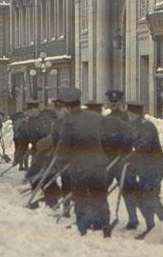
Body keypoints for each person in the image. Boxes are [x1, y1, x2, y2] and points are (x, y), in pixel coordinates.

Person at [55, 88, 111, 237]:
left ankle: (83, 228)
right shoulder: (96, 117)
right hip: (100, 165)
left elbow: (64, 146)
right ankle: (105, 227)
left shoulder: (69, 121)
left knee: (80, 198)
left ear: (67, 106)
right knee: (100, 197)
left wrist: (60, 161)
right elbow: (107, 138)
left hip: (80, 167)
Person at [126, 102, 163, 240]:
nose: (128, 116)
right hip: (144, 168)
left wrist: (131, 155)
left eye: (129, 114)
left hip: (154, 167)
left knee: (151, 197)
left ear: (134, 114)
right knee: (143, 197)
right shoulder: (135, 126)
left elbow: (145, 145)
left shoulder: (146, 126)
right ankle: (151, 226)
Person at [98, 93, 139, 230]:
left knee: (128, 190)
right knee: (101, 188)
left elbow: (134, 136)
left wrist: (125, 151)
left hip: (124, 160)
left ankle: (133, 219)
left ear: (122, 102)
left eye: (116, 101)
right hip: (109, 160)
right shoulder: (105, 119)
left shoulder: (129, 118)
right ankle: (104, 218)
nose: (113, 103)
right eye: (111, 101)